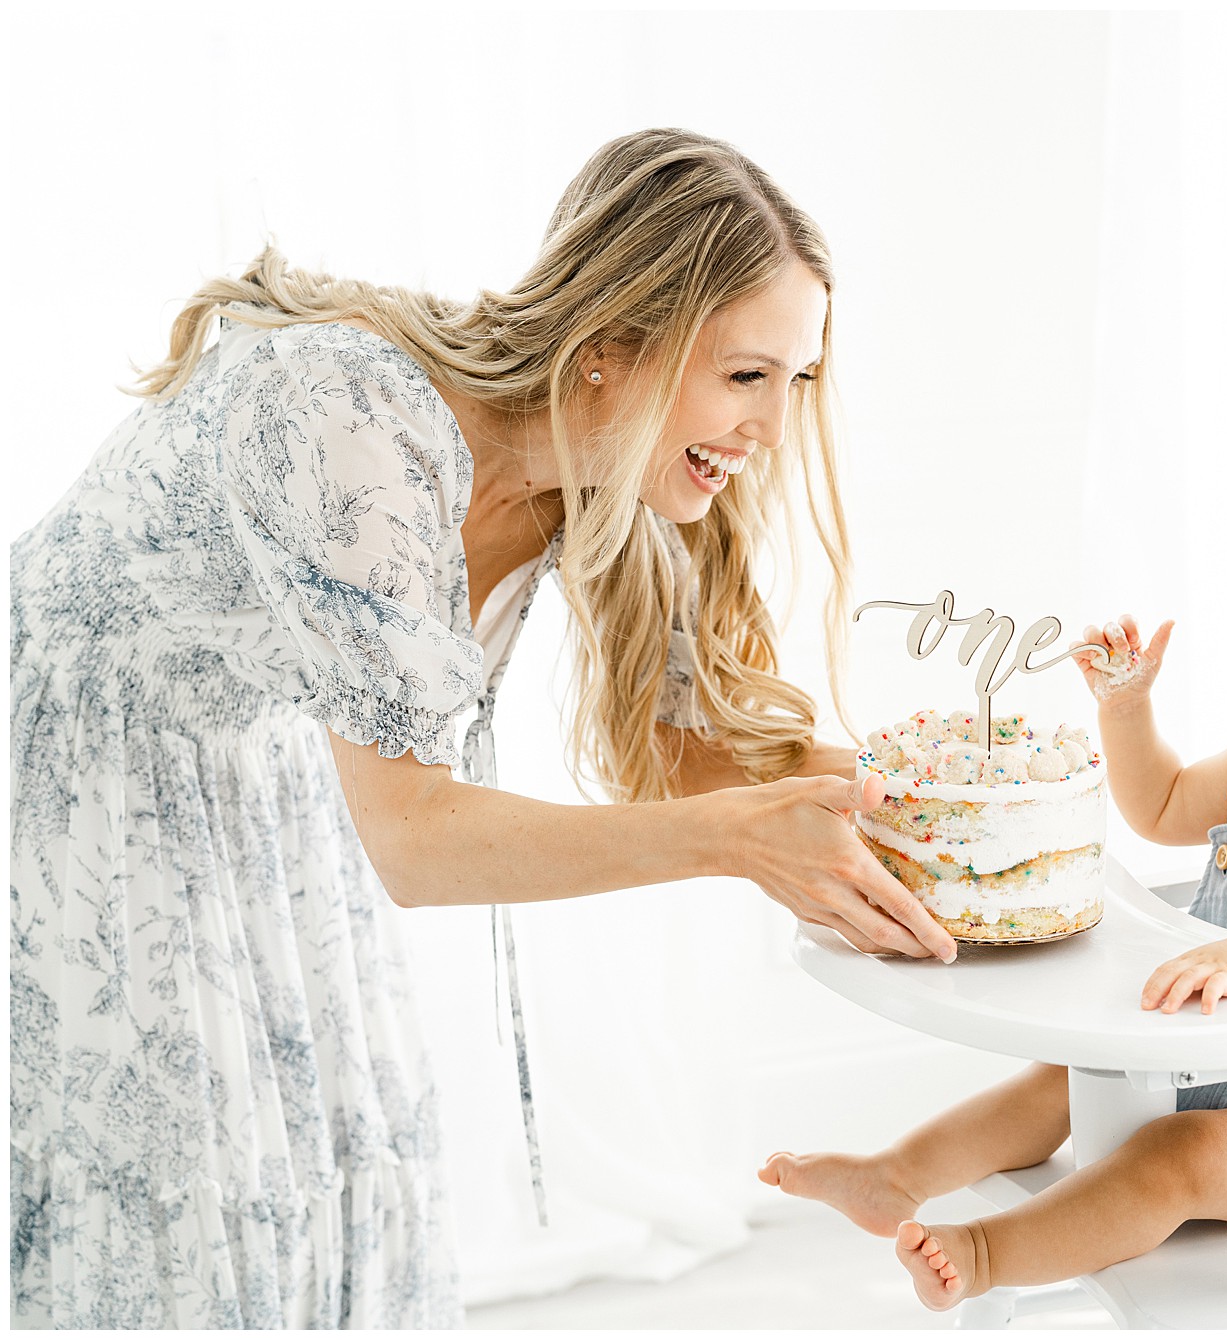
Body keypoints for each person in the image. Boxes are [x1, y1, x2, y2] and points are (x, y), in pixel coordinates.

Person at [9, 127, 956, 1329]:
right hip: (73, 767)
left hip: (249, 760)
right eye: (744, 375)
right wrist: (731, 841)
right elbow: (416, 844)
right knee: (188, 1192)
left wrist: (943, 801)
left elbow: (694, 758)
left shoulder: (613, 474)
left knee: (329, 1145)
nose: (772, 426)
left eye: (796, 380)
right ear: (610, 348)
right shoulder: (356, 423)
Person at [759, 312, 1227, 1310]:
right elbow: (1156, 804)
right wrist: (1125, 709)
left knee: (1172, 1154)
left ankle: (987, 1254)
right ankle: (896, 1171)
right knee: (1065, 1074)